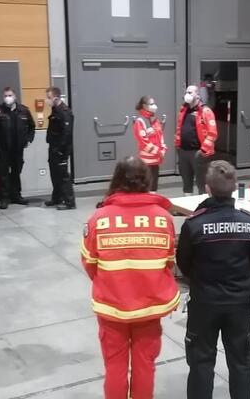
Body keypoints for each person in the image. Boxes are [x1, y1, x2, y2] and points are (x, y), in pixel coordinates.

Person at [81, 157, 180, 399]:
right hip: (149, 306)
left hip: (112, 307)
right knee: (145, 365)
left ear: (116, 179)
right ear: (147, 180)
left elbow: (90, 264)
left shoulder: (98, 219)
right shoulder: (163, 218)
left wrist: (112, 284)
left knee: (114, 367)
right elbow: (168, 262)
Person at [177, 160, 250, 399]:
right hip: (238, 304)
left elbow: (183, 263)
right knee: (241, 362)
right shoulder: (249, 222)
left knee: (201, 362)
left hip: (205, 302)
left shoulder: (194, 225)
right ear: (234, 188)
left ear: (207, 188)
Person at [0, 87, 35, 209]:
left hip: (18, 148)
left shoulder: (23, 110)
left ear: (15, 96)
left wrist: (28, 139)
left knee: (16, 172)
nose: (7, 98)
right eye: (5, 95)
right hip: (4, 148)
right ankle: (4, 198)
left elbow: (32, 126)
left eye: (10, 95)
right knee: (3, 173)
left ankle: (16, 195)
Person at [175, 85, 218, 195]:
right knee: (186, 182)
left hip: (198, 153)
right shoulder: (183, 110)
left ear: (198, 95)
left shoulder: (205, 111)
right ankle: (186, 208)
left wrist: (203, 151)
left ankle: (203, 208)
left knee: (201, 183)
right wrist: (178, 147)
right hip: (183, 151)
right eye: (186, 92)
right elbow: (179, 128)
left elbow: (212, 133)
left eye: (190, 92)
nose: (187, 95)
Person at [46, 86, 75, 210]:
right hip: (53, 148)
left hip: (61, 150)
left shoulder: (64, 112)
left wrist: (61, 150)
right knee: (55, 174)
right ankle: (57, 198)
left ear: (56, 97)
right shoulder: (55, 110)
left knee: (63, 176)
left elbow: (66, 133)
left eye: (49, 97)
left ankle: (69, 202)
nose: (47, 100)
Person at [133, 96, 166, 191]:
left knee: (154, 186)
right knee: (146, 186)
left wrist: (163, 148)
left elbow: (160, 136)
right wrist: (157, 151)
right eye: (151, 104)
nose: (154, 106)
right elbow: (143, 141)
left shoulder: (155, 120)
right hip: (146, 162)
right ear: (144, 106)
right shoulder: (140, 121)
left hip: (156, 160)